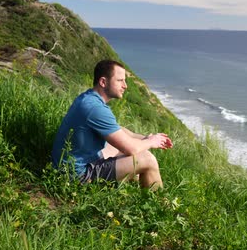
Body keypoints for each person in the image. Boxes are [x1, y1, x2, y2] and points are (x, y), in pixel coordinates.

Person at [52, 60, 173, 190]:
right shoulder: (95, 109)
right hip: (77, 175)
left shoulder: (88, 98)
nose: (125, 86)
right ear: (103, 82)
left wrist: (145, 138)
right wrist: (150, 142)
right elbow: (131, 149)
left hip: (68, 164)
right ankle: (157, 206)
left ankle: (134, 184)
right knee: (148, 159)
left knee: (130, 143)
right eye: (120, 80)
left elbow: (119, 131)